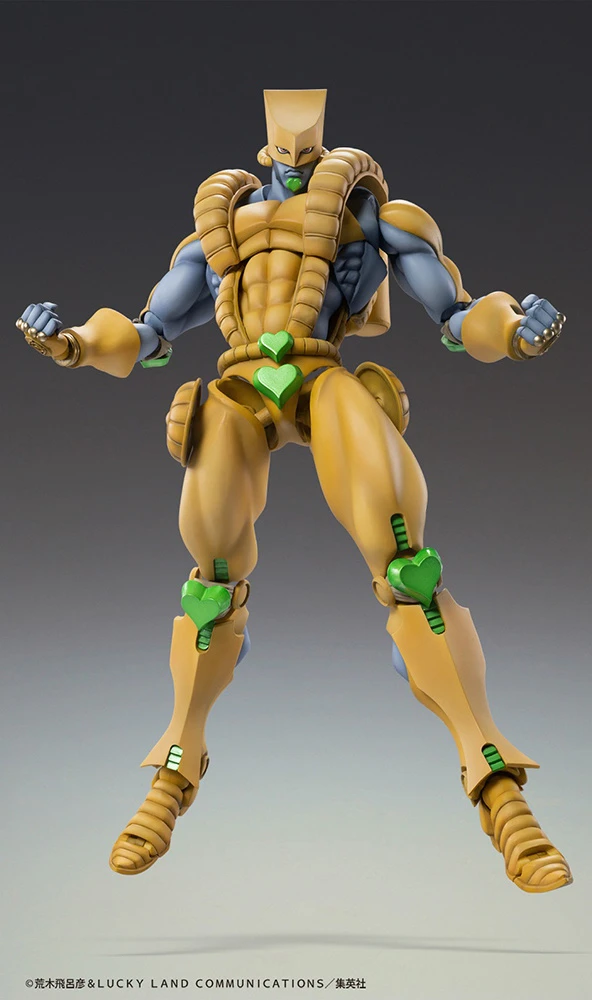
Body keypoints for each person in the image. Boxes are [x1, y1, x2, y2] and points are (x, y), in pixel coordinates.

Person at [17, 89, 570, 892]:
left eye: (307, 141)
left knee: (407, 564)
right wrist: (72, 343)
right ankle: (174, 770)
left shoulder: (371, 214)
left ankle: (496, 786)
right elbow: (148, 332)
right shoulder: (219, 226)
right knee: (210, 575)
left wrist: (514, 331)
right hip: (240, 385)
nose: (297, 151)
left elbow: (453, 314)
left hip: (321, 373)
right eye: (286, 141)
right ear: (265, 145)